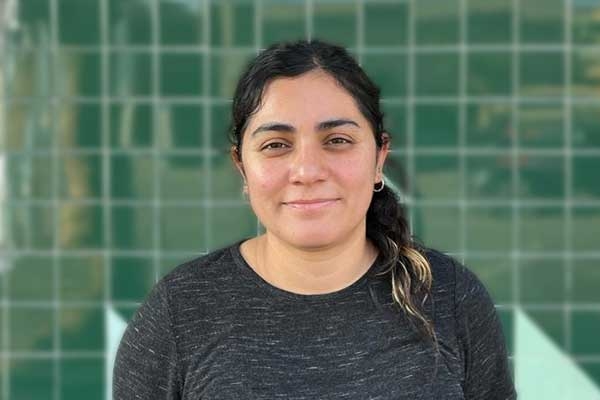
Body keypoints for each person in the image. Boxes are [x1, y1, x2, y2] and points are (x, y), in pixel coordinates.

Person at [113, 39, 517, 399]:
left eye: (337, 141)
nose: (307, 170)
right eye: (276, 145)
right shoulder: (181, 311)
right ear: (242, 168)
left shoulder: (450, 297)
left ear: (379, 158)